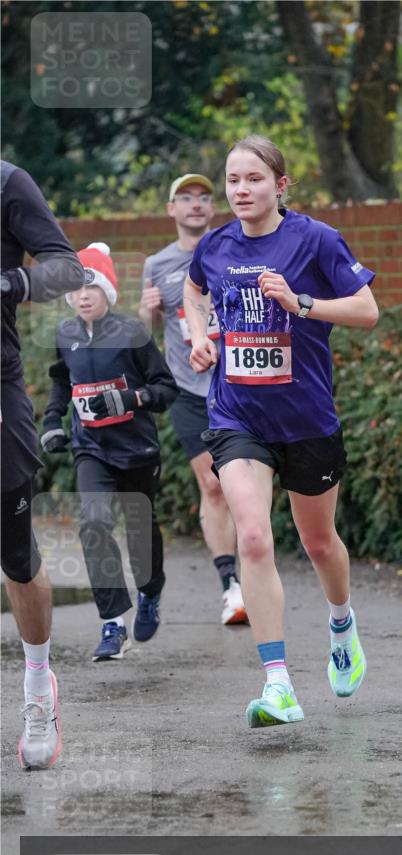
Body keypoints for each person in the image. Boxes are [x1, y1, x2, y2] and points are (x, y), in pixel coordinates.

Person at [184, 134, 379, 729]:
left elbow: (366, 311)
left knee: (320, 544)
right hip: (238, 418)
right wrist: (198, 336)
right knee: (253, 539)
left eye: (254, 180)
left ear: (281, 185)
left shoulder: (315, 240)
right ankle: (278, 686)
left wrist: (301, 303)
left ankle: (341, 625)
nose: (241, 190)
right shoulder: (214, 246)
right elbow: (193, 291)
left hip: (307, 421)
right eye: (233, 180)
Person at [40, 243, 178, 660]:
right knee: (94, 523)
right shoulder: (65, 336)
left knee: (141, 537)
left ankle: (150, 590)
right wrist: (51, 422)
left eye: (92, 287)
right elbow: (62, 383)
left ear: (108, 292)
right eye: (76, 290)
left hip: (137, 450)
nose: (83, 296)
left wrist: (131, 399)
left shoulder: (133, 334)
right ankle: (113, 624)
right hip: (91, 450)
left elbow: (165, 390)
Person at [1, 160, 85, 769]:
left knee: (15, 555)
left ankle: (38, 688)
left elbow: (67, 267)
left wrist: (13, 284)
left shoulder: (7, 182)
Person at [139, 173, 247, 626]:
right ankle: (231, 586)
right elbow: (142, 341)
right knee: (214, 484)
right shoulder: (157, 264)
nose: (197, 205)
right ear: (171, 209)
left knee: (243, 485)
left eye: (204, 197)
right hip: (188, 390)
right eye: (186, 198)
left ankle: (256, 563)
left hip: (237, 383)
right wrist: (146, 314)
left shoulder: (232, 249)